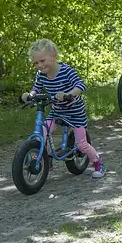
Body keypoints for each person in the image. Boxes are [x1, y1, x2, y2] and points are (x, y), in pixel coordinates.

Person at [21, 39, 106, 179]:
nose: (40, 65)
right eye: (36, 63)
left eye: (42, 61)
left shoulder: (66, 71)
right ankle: (45, 158)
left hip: (75, 112)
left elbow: (80, 85)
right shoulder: (41, 74)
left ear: (54, 56)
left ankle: (98, 163)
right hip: (56, 111)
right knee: (42, 132)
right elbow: (36, 88)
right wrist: (30, 95)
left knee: (82, 144)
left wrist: (68, 94)